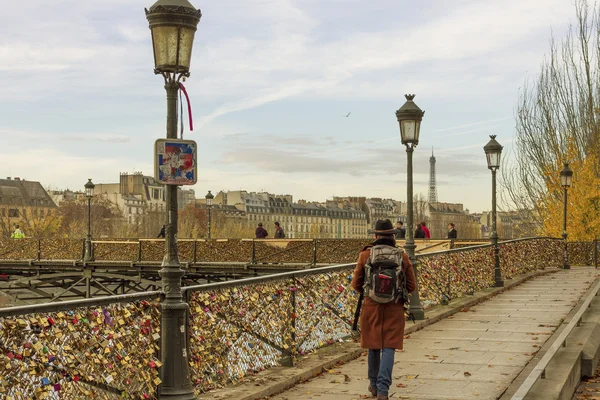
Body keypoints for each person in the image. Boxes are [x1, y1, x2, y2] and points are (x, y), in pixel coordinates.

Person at [351, 219, 416, 400]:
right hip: (394, 307)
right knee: (389, 347)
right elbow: (411, 286)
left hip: (371, 306)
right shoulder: (402, 256)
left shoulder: (365, 255)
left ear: (376, 236)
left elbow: (356, 284)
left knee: (373, 346)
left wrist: (370, 292)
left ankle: (373, 384)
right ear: (393, 236)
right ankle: (383, 390)